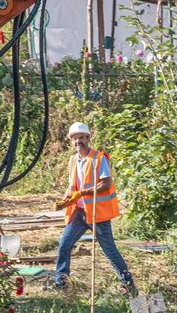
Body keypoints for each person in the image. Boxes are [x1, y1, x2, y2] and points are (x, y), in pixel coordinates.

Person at [49, 122, 137, 296]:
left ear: (88, 138)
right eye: (75, 138)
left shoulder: (99, 158)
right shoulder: (73, 159)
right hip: (79, 213)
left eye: (81, 137)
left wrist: (82, 193)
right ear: (71, 141)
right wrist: (65, 200)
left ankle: (128, 285)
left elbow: (105, 184)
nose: (78, 141)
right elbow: (71, 184)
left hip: (98, 214)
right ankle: (61, 282)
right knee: (64, 244)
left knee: (109, 250)